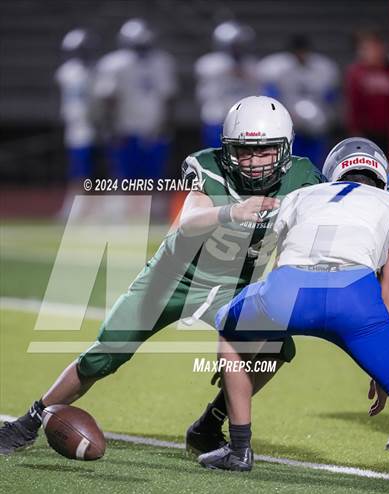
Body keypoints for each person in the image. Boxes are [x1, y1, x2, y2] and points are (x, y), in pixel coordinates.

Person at [0, 96, 323, 456]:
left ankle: (209, 423)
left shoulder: (303, 177)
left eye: (264, 151)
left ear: (285, 148)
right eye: (243, 151)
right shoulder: (209, 167)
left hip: (234, 287)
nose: (253, 161)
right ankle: (29, 420)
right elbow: (188, 220)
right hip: (172, 279)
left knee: (276, 347)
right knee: (105, 354)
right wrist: (232, 211)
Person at [198, 137, 389, 471]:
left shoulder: (302, 196)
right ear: (382, 178)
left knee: (229, 329)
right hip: (354, 298)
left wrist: (242, 352)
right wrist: (383, 368)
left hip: (288, 292)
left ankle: (239, 449)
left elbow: (280, 264)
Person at [92, 18, 177, 182]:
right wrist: (110, 127)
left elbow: (168, 98)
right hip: (126, 130)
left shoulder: (162, 62)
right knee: (126, 178)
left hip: (152, 129)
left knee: (153, 179)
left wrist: (166, 125)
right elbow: (108, 99)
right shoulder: (114, 64)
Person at [258, 35, 339, 167]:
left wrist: (326, 115)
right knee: (291, 160)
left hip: (315, 122)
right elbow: (270, 95)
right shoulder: (277, 67)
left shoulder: (323, 67)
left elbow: (330, 96)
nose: (301, 55)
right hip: (290, 119)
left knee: (315, 161)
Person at [195, 21, 259, 148]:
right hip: (217, 118)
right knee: (215, 155)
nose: (239, 49)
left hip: (244, 121)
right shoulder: (210, 63)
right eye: (236, 45)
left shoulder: (250, 64)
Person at [55, 29, 97, 219]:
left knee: (95, 171)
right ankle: (75, 206)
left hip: (95, 126)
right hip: (76, 127)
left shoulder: (98, 71)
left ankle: (86, 208)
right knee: (78, 169)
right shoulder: (66, 72)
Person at [345, 31, 389, 156]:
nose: (367, 53)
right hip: (367, 132)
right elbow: (353, 105)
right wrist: (354, 130)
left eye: (372, 48)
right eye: (363, 49)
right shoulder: (356, 73)